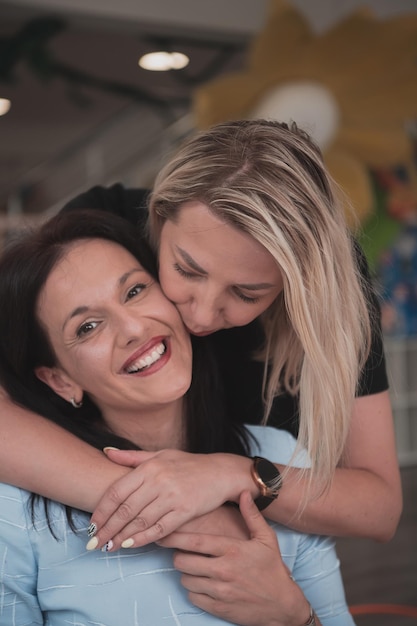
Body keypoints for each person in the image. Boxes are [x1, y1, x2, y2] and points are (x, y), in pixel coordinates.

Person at [0, 120, 401, 554]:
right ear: (157, 219)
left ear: (297, 284)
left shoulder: (336, 286)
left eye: (247, 293)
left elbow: (379, 508)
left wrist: (233, 476)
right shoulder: (108, 229)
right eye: (187, 271)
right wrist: (185, 508)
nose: (202, 314)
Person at [0, 208, 354, 626]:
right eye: (89, 326)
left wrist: (293, 615)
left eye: (134, 291)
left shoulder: (279, 456)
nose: (132, 327)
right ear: (60, 380)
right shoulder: (16, 508)